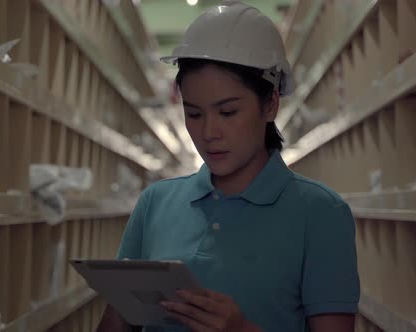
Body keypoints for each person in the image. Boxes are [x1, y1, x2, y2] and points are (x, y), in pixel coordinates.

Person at [97, 1, 360, 331]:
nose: (208, 133)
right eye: (194, 114)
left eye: (228, 112)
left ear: (271, 104)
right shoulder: (155, 204)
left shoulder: (321, 213)